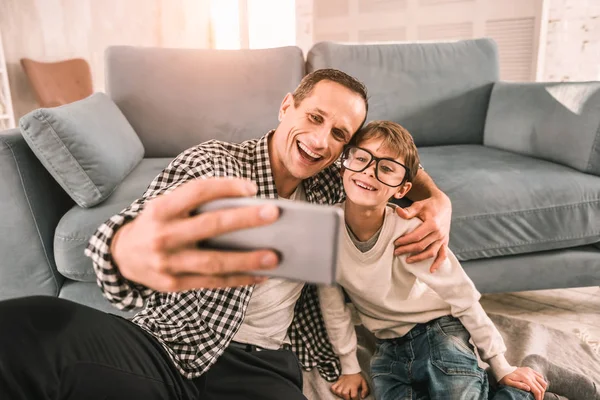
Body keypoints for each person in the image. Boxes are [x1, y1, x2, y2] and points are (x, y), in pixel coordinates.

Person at [0, 70, 452, 400]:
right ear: (285, 106)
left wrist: (438, 200)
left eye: (338, 134)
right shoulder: (214, 163)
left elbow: (398, 165)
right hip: (168, 348)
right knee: (29, 329)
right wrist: (124, 249)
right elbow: (128, 229)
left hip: (264, 367)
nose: (319, 140)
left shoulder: (337, 182)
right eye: (314, 117)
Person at [319, 121, 548, 400]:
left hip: (438, 331)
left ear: (402, 190)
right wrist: (350, 367)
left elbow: (462, 295)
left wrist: (501, 365)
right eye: (362, 158)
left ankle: (526, 380)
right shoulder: (324, 233)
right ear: (343, 165)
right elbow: (332, 306)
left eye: (387, 168)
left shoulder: (411, 233)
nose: (370, 171)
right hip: (388, 349)